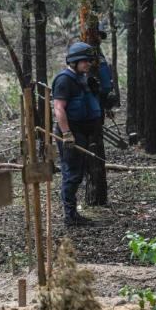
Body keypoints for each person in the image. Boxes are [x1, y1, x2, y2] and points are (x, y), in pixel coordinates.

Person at [52, 42, 103, 227]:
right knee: (71, 174)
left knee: (77, 173)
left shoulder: (82, 77)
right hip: (71, 133)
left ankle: (72, 214)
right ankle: (70, 216)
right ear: (74, 61)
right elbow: (59, 108)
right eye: (85, 60)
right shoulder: (64, 80)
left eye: (90, 60)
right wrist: (66, 134)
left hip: (83, 132)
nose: (89, 63)